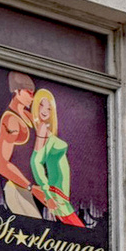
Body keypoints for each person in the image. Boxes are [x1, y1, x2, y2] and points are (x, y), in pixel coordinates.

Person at [30, 89, 84, 227]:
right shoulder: (42, 129)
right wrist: (47, 194)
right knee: (78, 233)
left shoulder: (46, 130)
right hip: (56, 195)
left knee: (76, 234)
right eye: (42, 105)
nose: (45, 111)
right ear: (36, 106)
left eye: (49, 108)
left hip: (61, 196)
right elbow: (36, 161)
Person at [0, 71, 45, 218]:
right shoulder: (12, 120)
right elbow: (0, 162)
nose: (32, 97)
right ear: (17, 91)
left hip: (36, 189)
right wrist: (30, 187)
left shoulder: (30, 117)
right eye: (29, 93)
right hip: (18, 189)